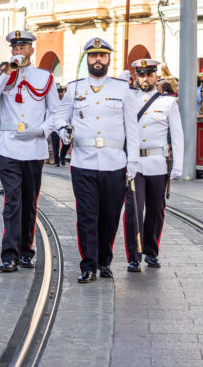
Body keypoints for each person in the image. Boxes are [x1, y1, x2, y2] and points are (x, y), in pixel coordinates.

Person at [54, 37, 139, 283]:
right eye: (93, 56)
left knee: (110, 215)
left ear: (109, 59)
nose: (98, 60)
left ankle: (105, 261)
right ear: (87, 60)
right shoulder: (74, 88)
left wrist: (131, 164)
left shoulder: (122, 89)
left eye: (102, 56)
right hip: (83, 162)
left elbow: (132, 130)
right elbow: (60, 117)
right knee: (87, 215)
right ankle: (88, 265)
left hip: (115, 163)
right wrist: (63, 131)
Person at [0, 30, 59, 273]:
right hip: (8, 146)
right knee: (12, 201)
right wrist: (7, 72)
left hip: (34, 147)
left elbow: (55, 112)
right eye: (14, 48)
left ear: (31, 50)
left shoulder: (45, 76)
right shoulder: (3, 74)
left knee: (29, 202)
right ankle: (9, 255)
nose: (18, 52)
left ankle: (26, 250)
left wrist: (41, 131)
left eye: (22, 48)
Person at [123, 59, 183, 272]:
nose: (145, 78)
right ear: (136, 76)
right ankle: (133, 255)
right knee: (134, 210)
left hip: (158, 163)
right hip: (135, 163)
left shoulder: (168, 102)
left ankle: (151, 251)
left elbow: (177, 135)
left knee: (156, 210)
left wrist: (178, 165)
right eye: (141, 74)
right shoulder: (128, 98)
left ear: (156, 76)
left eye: (149, 74)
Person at [50, 85, 70, 166]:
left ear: (64, 92)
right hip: (55, 127)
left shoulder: (68, 101)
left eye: (62, 91)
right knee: (55, 145)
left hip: (65, 126)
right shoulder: (53, 102)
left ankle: (62, 156)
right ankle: (57, 162)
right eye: (58, 92)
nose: (60, 94)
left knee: (67, 144)